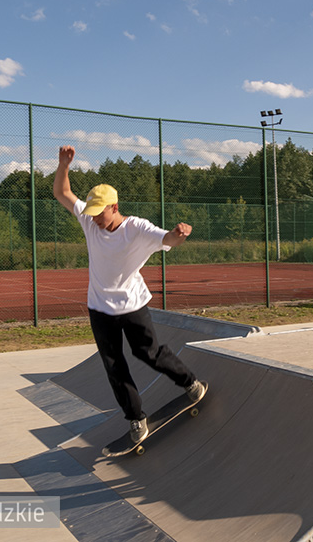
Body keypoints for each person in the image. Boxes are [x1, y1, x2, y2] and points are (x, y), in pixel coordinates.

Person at [53, 145, 206, 444]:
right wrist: (63, 165)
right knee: (113, 365)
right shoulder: (88, 220)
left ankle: (189, 382)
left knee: (148, 353)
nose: (95, 220)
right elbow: (62, 192)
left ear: (114, 206)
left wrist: (180, 234)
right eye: (92, 214)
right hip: (99, 308)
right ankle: (136, 418)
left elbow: (168, 240)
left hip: (132, 305)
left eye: (100, 214)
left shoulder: (136, 228)